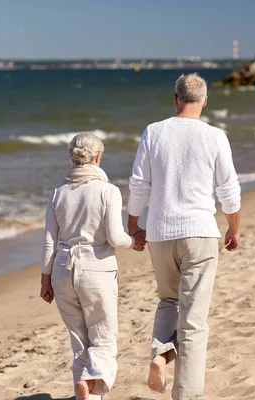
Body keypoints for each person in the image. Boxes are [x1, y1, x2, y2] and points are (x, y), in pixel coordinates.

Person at [127, 73, 242, 399]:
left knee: (168, 301)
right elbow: (228, 190)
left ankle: (159, 357)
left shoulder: (154, 132)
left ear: (175, 99)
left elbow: (139, 184)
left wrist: (134, 226)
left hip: (162, 233)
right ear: (204, 101)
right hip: (200, 234)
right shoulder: (215, 136)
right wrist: (234, 228)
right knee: (193, 322)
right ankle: (186, 394)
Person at [40, 132, 146, 400]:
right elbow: (115, 237)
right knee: (104, 338)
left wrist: (45, 280)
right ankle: (89, 382)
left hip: (63, 269)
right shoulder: (107, 191)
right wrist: (135, 240)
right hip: (96, 268)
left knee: (79, 343)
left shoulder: (57, 193)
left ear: (72, 157)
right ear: (98, 157)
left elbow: (49, 242)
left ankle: (85, 393)